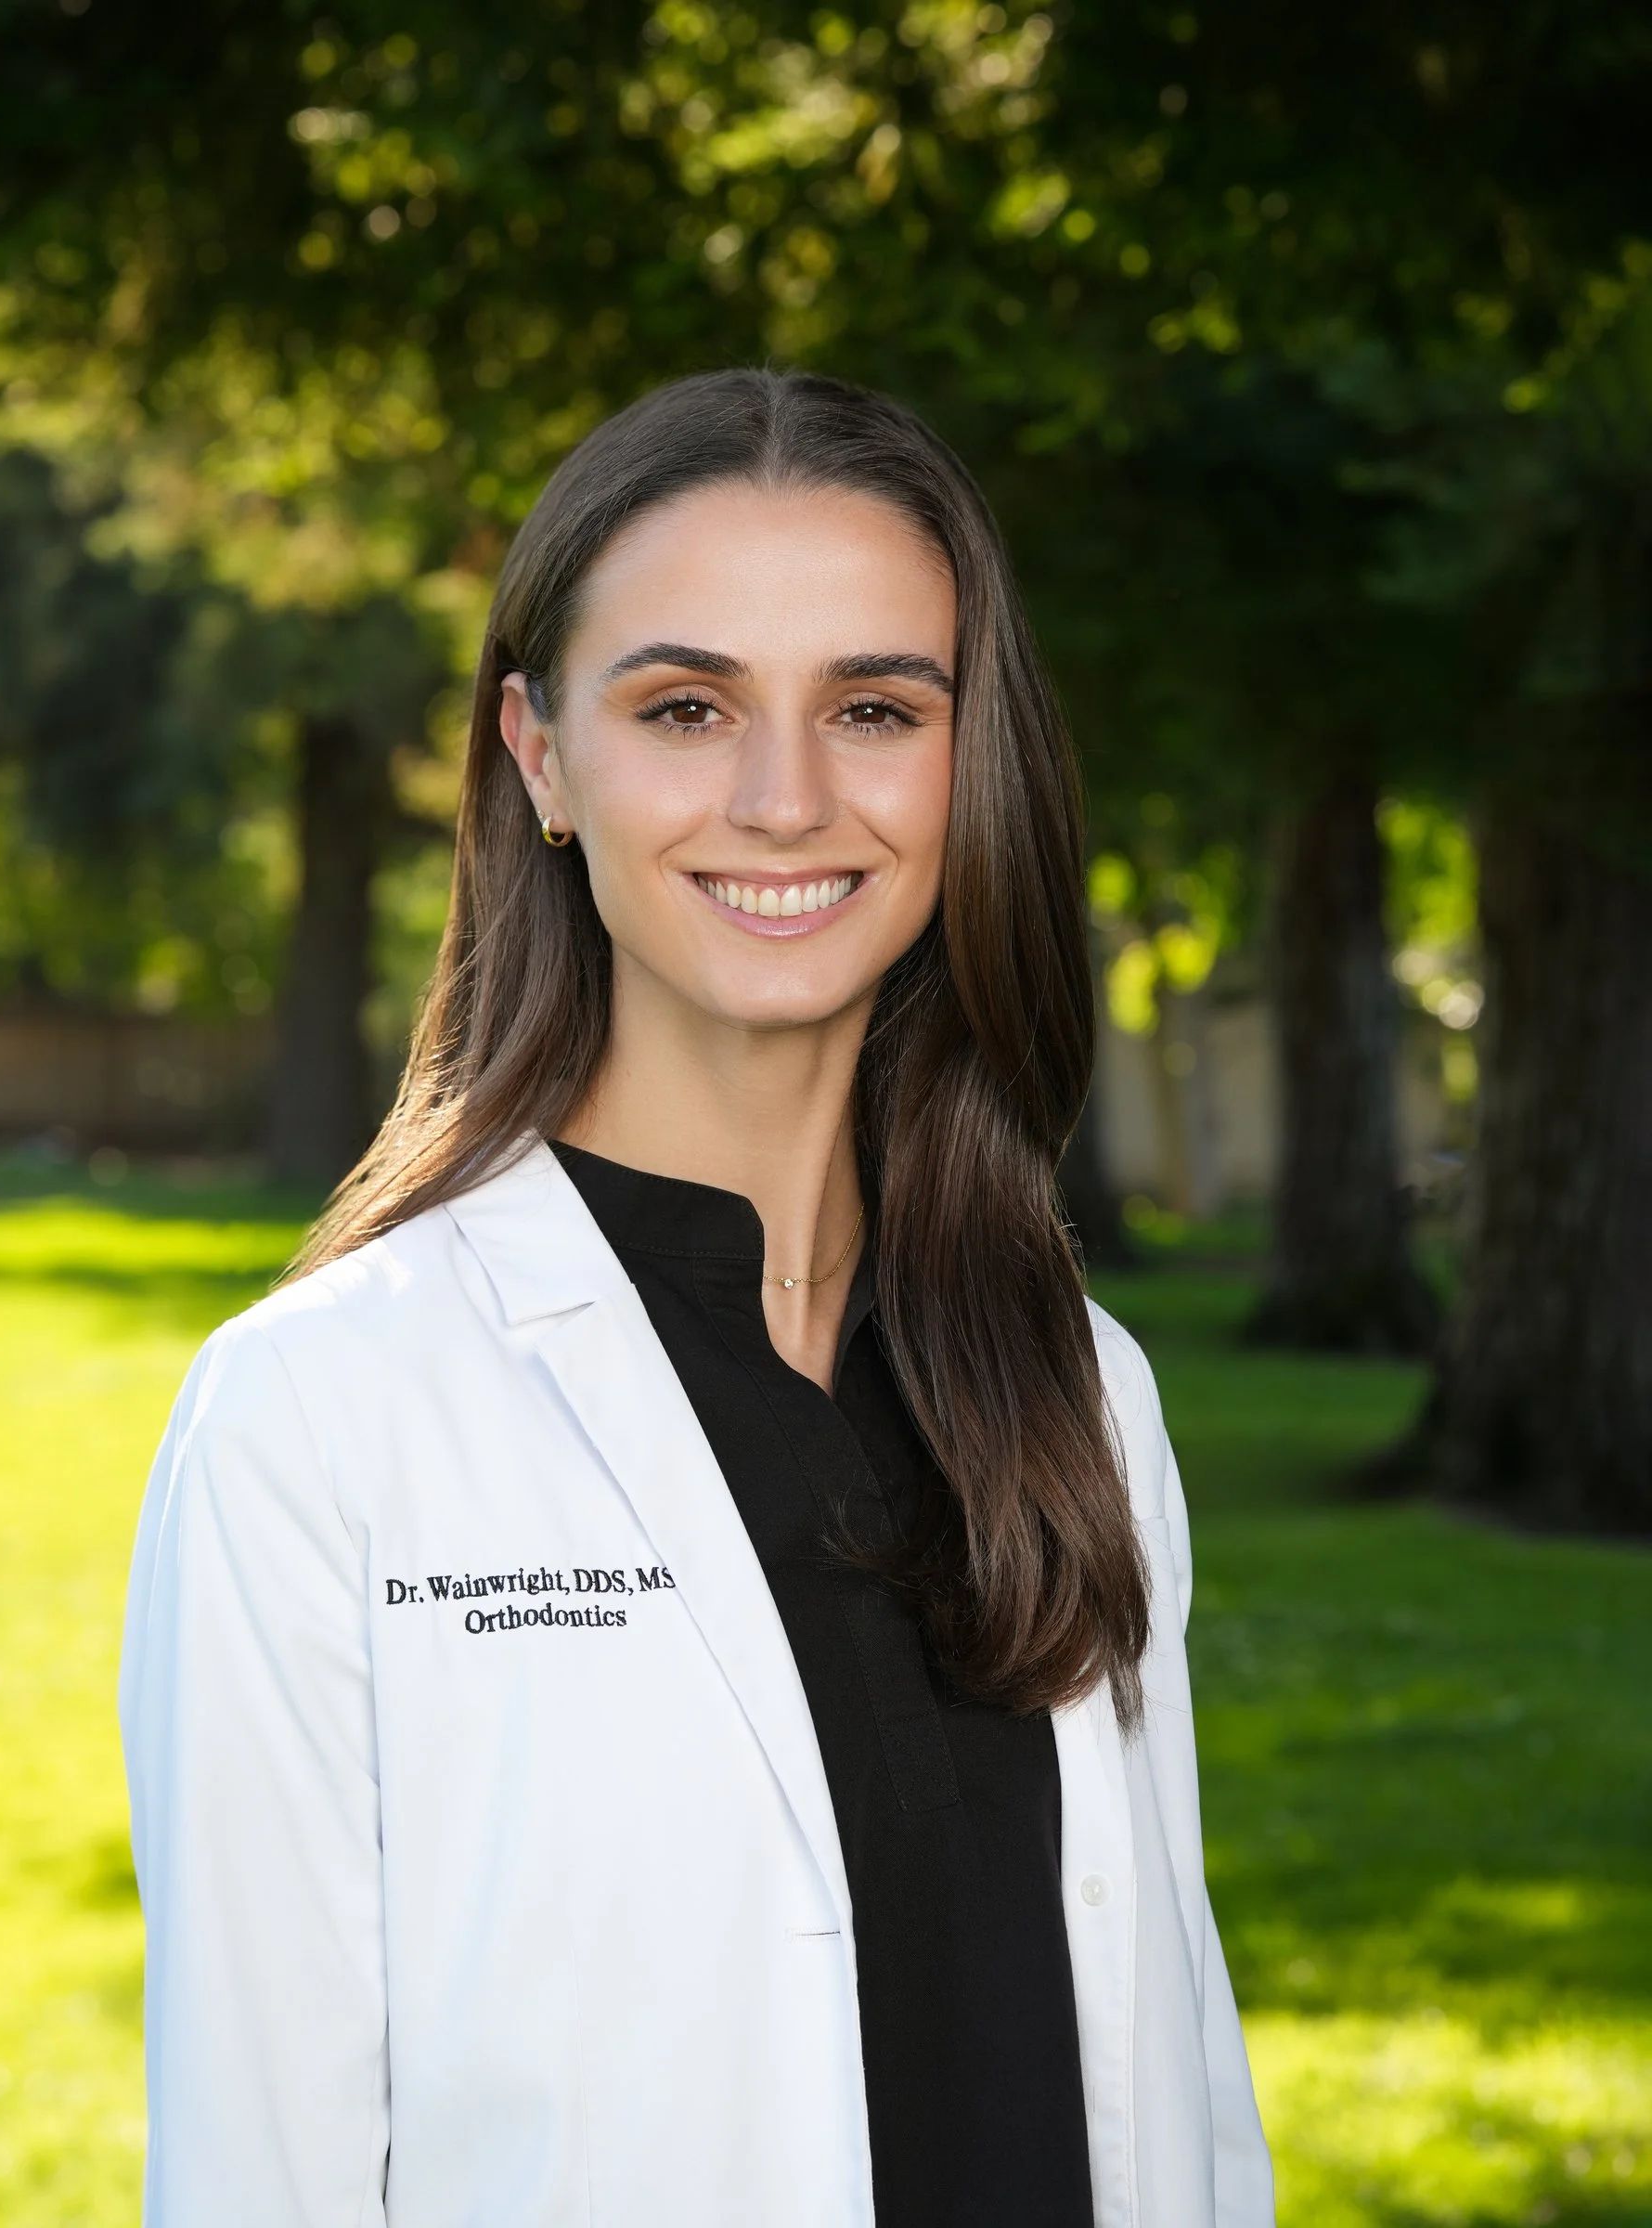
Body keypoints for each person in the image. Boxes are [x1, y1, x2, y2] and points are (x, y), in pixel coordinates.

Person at [118, 364, 1275, 2228]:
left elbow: (1177, 2085)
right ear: (542, 756)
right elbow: (262, 2161)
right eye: (684, 706)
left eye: (875, 707)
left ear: (966, 760)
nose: (784, 797)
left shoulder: (1077, 1388)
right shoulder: (318, 1419)